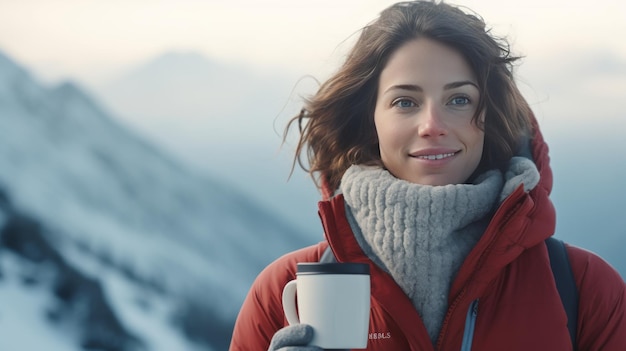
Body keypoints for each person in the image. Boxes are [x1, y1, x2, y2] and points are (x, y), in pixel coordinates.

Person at [229, 1, 626, 350]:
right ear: (370, 123)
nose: (432, 124)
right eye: (405, 101)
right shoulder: (282, 295)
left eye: (458, 99)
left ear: (490, 118)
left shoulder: (584, 288)